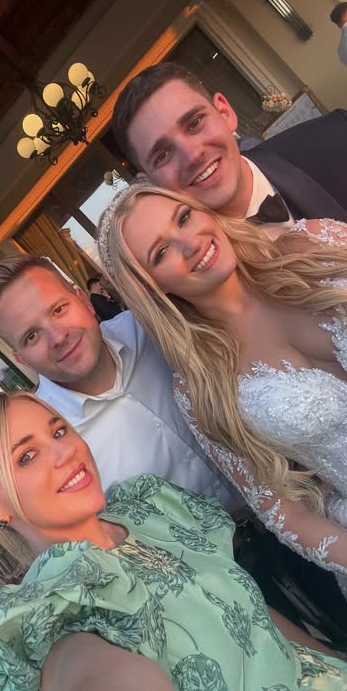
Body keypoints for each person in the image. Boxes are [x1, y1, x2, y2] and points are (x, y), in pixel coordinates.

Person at [0, 391, 347, 691]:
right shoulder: (57, 602)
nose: (64, 451)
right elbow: (85, 669)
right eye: (26, 457)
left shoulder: (150, 507)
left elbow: (256, 619)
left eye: (59, 430)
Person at [96, 182, 347, 601]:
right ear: (152, 288)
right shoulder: (202, 387)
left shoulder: (316, 240)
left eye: (184, 217)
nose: (190, 242)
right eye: (161, 252)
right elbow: (282, 511)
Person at [0, 254, 239, 511]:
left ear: (84, 301)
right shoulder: (48, 445)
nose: (57, 337)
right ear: (22, 359)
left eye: (58, 310)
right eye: (32, 336)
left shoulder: (152, 327)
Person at [111, 63, 347, 229]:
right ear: (151, 184)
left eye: (194, 123)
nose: (193, 155)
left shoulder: (337, 137)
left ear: (225, 112)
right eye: (162, 155)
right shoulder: (192, 269)